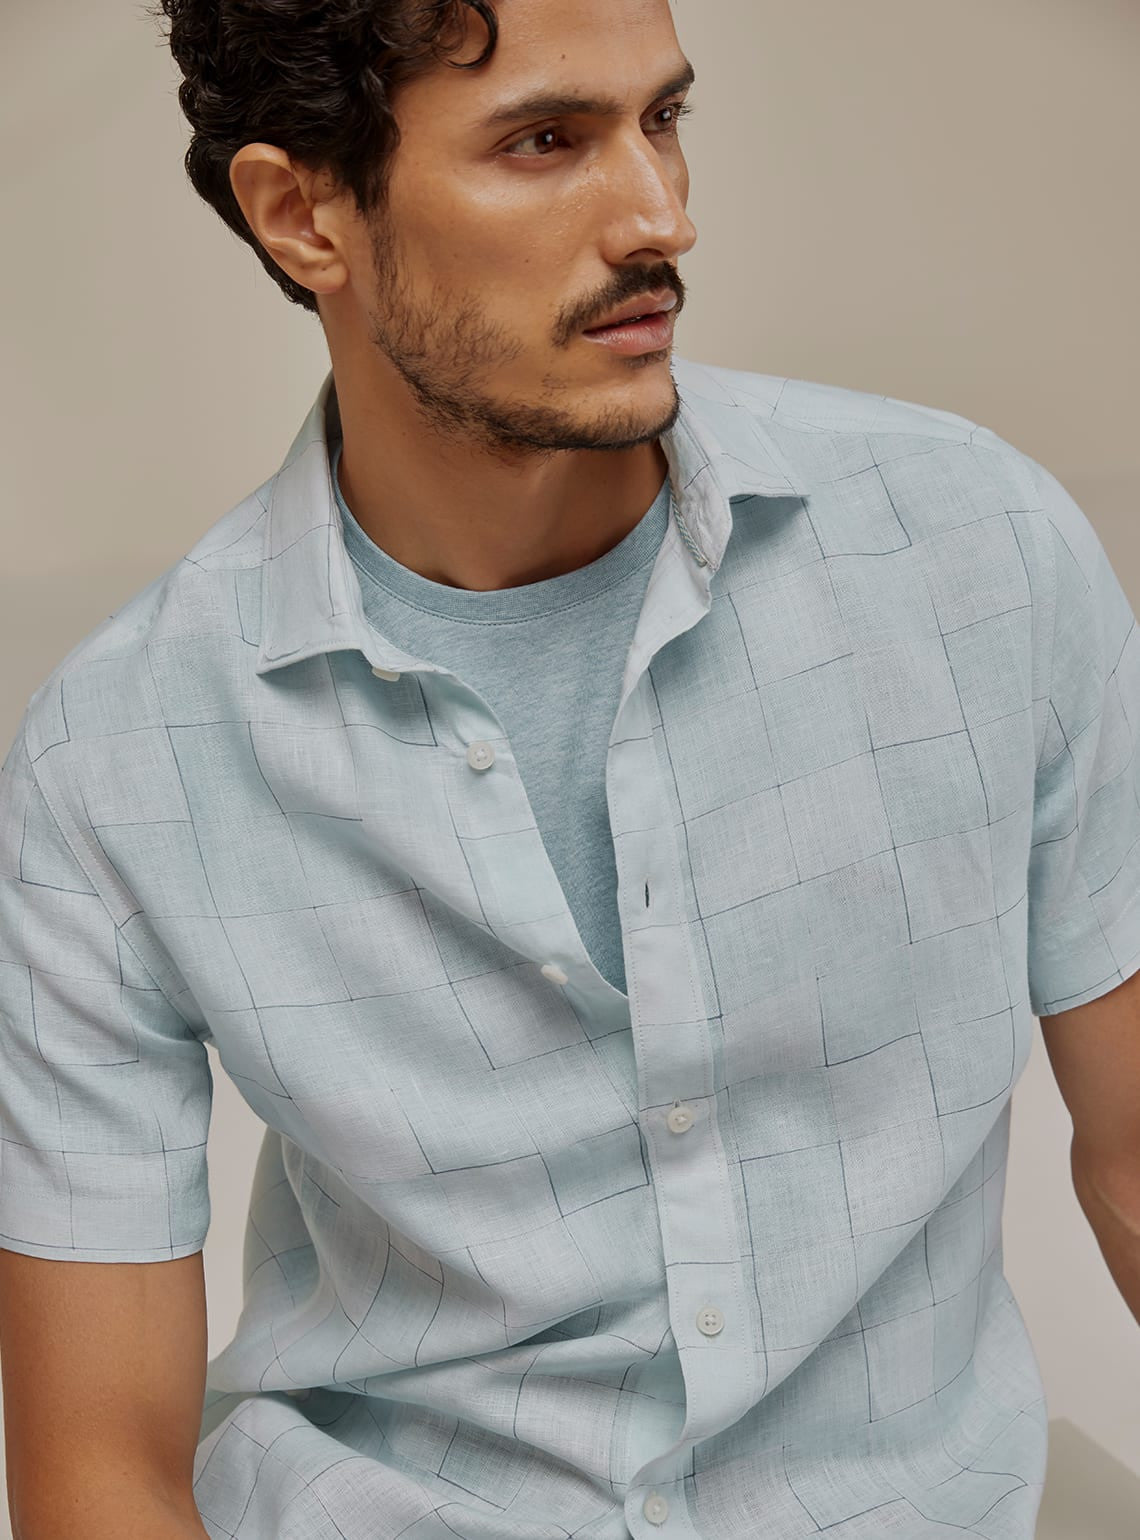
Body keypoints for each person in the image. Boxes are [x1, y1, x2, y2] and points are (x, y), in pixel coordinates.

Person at [2, 0, 1139, 1536]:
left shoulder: (976, 552)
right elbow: (102, 1472)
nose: (660, 217)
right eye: (546, 142)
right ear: (303, 215)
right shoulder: (117, 763)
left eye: (663, 120)